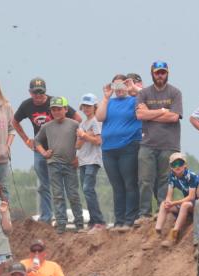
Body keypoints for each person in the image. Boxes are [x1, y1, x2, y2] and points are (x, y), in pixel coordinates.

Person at [12, 77, 80, 224]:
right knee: (44, 184)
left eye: (41, 92)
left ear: (45, 92)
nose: (38, 96)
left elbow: (78, 119)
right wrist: (26, 140)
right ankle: (46, 217)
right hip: (40, 147)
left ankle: (70, 217)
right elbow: (14, 121)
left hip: (60, 149)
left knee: (66, 185)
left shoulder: (55, 103)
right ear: (30, 93)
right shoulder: (26, 105)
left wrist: (75, 145)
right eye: (35, 93)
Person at [134, 61, 184, 217]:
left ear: (167, 73)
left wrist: (150, 113)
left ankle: (162, 211)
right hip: (147, 144)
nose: (160, 75)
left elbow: (174, 117)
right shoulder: (143, 93)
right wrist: (163, 111)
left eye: (163, 72)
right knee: (144, 181)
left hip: (169, 144)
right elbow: (140, 115)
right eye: (157, 72)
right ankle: (144, 214)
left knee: (165, 181)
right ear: (152, 74)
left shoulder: (175, 93)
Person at [96, 74, 142, 231]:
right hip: (109, 149)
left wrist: (133, 89)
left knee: (130, 183)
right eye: (116, 86)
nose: (119, 89)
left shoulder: (134, 100)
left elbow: (149, 97)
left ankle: (130, 219)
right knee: (117, 186)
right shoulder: (109, 102)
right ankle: (119, 220)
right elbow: (99, 116)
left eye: (122, 85)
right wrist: (106, 97)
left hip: (128, 146)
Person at [36, 97, 83, 233]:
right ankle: (61, 224)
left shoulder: (74, 124)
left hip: (70, 164)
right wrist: (44, 153)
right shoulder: (46, 126)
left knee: (73, 194)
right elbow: (37, 141)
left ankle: (79, 223)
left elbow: (82, 140)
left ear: (66, 109)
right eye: (54, 110)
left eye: (59, 109)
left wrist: (78, 157)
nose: (56, 112)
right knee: (57, 195)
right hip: (54, 164)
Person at [75, 93, 106, 232]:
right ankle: (93, 221)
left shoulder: (96, 121)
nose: (86, 108)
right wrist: (86, 136)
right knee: (86, 190)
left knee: (88, 189)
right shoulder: (83, 123)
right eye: (85, 106)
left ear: (95, 107)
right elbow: (78, 145)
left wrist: (84, 135)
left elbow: (98, 141)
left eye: (89, 106)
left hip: (93, 159)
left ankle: (99, 221)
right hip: (82, 159)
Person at [154, 152, 197, 248]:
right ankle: (157, 232)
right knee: (163, 204)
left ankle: (173, 234)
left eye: (180, 163)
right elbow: (169, 195)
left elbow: (191, 197)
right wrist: (168, 202)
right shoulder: (172, 176)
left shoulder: (191, 176)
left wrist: (174, 203)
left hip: (197, 205)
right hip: (187, 203)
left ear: (185, 165)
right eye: (174, 164)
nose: (177, 166)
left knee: (185, 204)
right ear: (171, 167)